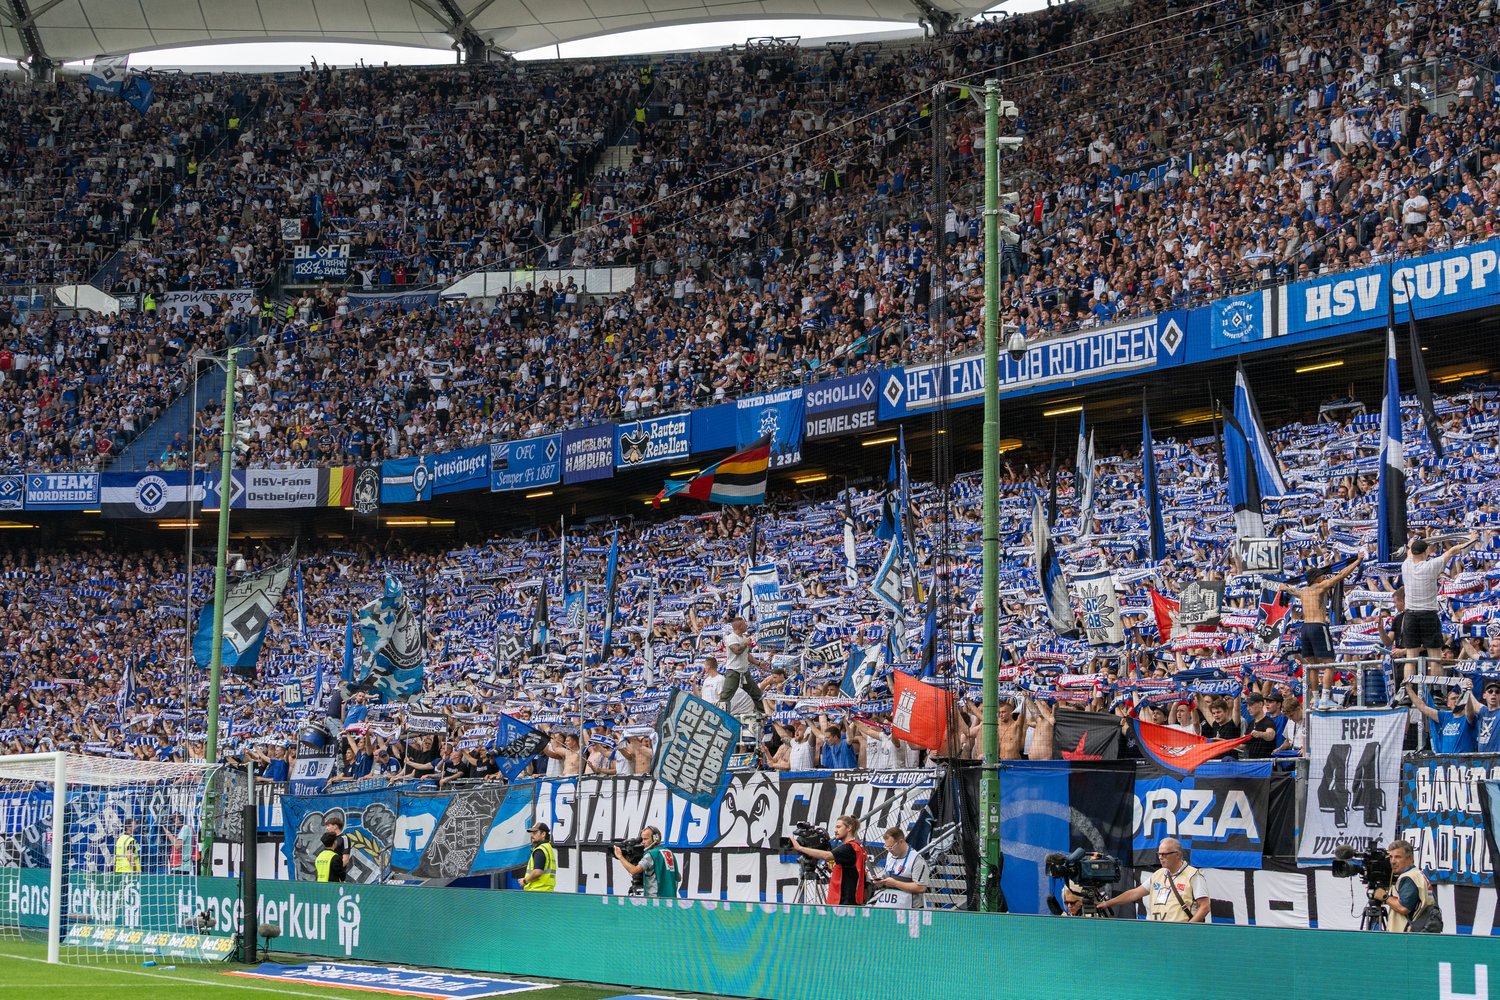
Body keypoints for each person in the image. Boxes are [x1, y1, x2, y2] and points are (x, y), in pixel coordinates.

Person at [1271, 555, 1362, 709]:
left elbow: (1287, 588)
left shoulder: (1303, 591)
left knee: (1312, 665)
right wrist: (1357, 561)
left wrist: (1284, 587)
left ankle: (1316, 698)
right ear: (1317, 578)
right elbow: (1341, 575)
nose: (1324, 576)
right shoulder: (1320, 587)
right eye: (1322, 575)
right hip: (1318, 626)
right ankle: (1326, 698)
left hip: (1305, 629)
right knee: (1329, 663)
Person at [1398, 534, 1478, 692]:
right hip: (1428, 615)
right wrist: (1471, 539)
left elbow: (1410, 549)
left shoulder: (1405, 565)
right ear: (1425, 552)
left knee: (1410, 658)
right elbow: (1452, 551)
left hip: (1410, 616)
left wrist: (1414, 542)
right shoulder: (1431, 565)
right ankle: (1437, 692)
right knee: (1435, 657)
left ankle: (1407, 692)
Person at [1099, 837, 1210, 922]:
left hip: (1182, 934)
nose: (1160, 857)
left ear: (1177, 855)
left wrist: (1189, 928)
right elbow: (1134, 893)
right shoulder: (1158, 874)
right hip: (1158, 931)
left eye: (1164, 854)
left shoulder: (1193, 875)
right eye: (1159, 854)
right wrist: (1107, 903)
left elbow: (1205, 907)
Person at [790, 815, 866, 905]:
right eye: (835, 827)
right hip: (846, 901)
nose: (835, 830)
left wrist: (800, 848)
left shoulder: (850, 847)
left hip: (845, 903)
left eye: (838, 827)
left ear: (849, 828)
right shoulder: (853, 846)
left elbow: (827, 855)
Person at [1373, 839, 1432, 932]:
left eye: (1397, 857)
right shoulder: (1417, 874)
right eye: (1391, 857)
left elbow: (1404, 907)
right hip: (1420, 932)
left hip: (1408, 938)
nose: (1392, 861)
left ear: (1410, 858)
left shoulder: (1409, 877)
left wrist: (1384, 897)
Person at [1407, 678, 1478, 753]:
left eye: (1458, 697)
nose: (1456, 700)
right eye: (1453, 698)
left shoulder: (1468, 717)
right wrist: (1408, 689)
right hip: (1446, 762)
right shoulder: (1445, 716)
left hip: (1463, 762)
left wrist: (1468, 691)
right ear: (1448, 703)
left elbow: (1470, 711)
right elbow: (1423, 708)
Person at [869, 827, 929, 909]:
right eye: (886, 847)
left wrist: (895, 883)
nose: (889, 850)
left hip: (909, 908)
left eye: (891, 847)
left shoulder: (916, 860)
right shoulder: (890, 855)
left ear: (901, 841)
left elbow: (921, 887)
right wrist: (881, 881)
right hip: (889, 905)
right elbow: (888, 876)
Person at [613, 826, 680, 897]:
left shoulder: (651, 855)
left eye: (645, 839)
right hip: (671, 900)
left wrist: (620, 856)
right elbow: (679, 877)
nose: (643, 842)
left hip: (655, 900)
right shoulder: (669, 853)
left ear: (656, 838)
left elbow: (634, 870)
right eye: (642, 839)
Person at [720, 617, 767, 715]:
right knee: (725, 696)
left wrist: (758, 663)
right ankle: (721, 715)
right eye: (745, 624)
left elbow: (747, 655)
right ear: (740, 626)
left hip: (744, 672)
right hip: (733, 672)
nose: (747, 626)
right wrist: (745, 643)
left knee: (756, 694)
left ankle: (761, 714)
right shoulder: (731, 637)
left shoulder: (742, 638)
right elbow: (737, 651)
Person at [522, 822, 557, 891]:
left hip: (536, 891)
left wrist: (524, 881)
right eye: (531, 833)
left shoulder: (540, 850)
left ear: (543, 834)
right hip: (546, 891)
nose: (532, 835)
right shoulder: (548, 847)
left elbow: (537, 872)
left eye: (535, 833)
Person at [1477, 679, 1500, 754]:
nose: (1494, 694)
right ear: (1484, 695)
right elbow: (1474, 704)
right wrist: (1469, 690)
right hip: (1482, 759)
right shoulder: (1483, 710)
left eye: (1497, 692)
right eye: (1490, 691)